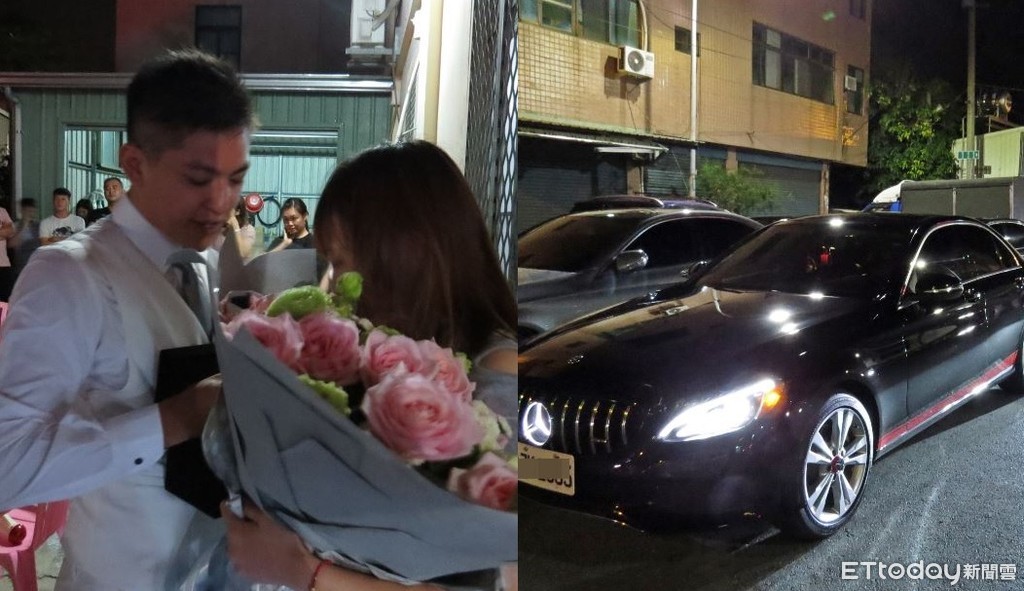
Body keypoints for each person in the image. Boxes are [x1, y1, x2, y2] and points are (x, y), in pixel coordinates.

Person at [0, 48, 254, 589]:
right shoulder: (69, 276)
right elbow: (8, 465)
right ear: (134, 165)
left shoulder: (206, 262)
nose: (220, 201)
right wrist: (175, 418)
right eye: (198, 178)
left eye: (235, 179)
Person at [221, 140, 517, 590]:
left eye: (340, 263)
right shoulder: (386, 346)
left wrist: (305, 572)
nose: (333, 282)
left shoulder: (501, 368)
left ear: (405, 252)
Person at [8, 197, 40, 279]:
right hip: (21, 268)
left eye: (32, 211)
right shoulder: (15, 226)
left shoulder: (39, 226)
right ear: (22, 211)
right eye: (27, 211)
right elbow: (11, 244)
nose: (30, 214)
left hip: (37, 267)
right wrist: (24, 225)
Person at [0, 203, 13, 301]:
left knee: (4, 302)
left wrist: (5, 232)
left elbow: (10, 231)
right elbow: (5, 232)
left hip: (3, 264)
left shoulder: (2, 211)